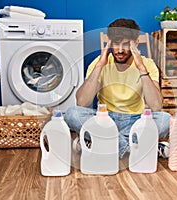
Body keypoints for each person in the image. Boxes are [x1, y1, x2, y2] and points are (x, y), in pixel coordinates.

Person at [64, 18, 170, 159]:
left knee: (166, 120)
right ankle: (134, 147)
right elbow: (82, 102)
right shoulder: (99, 63)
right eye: (116, 44)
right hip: (105, 120)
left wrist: (141, 69)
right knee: (71, 114)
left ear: (136, 43)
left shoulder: (147, 65)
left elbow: (156, 106)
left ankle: (98, 144)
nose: (120, 50)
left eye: (126, 44)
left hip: (136, 121)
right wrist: (100, 65)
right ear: (109, 43)